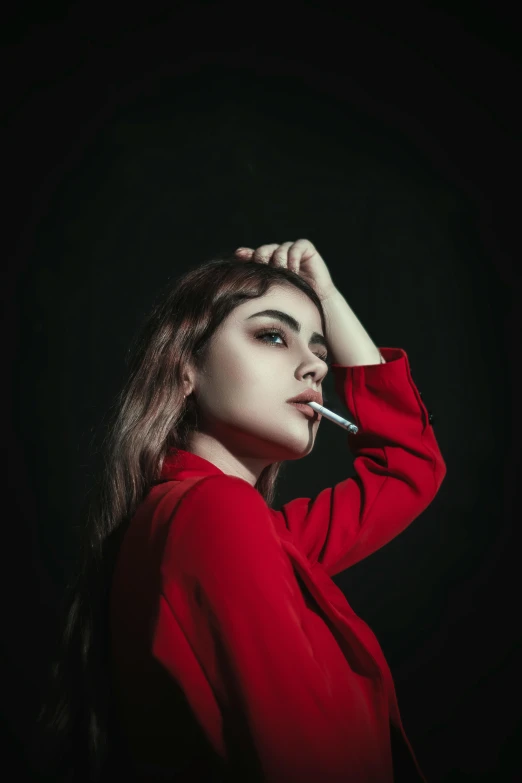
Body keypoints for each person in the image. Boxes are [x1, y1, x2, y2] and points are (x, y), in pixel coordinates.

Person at [30, 239, 446, 782]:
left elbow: (406, 469)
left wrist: (328, 296)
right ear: (185, 370)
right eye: (272, 336)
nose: (315, 367)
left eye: (321, 351)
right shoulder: (214, 514)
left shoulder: (215, 522)